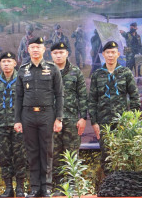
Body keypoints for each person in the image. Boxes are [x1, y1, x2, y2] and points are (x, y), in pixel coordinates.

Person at [14, 37, 64, 197]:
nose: (35, 50)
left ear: (44, 50)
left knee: (47, 151)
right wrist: (17, 120)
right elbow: (18, 97)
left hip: (47, 114)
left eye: (38, 47)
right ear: (28, 50)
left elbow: (59, 95)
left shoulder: (52, 68)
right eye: (32, 47)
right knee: (32, 151)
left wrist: (59, 118)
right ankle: (35, 187)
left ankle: (47, 187)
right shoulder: (23, 70)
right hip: (27, 115)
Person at [89, 41, 140, 175]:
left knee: (123, 155)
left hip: (122, 122)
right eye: (108, 52)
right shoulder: (97, 75)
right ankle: (108, 187)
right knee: (106, 155)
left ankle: (122, 187)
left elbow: (134, 97)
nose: (110, 55)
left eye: (113, 52)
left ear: (118, 54)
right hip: (103, 122)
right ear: (103, 55)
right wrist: (94, 122)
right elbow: (92, 100)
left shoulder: (126, 73)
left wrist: (133, 120)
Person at [50, 42, 88, 195]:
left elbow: (82, 96)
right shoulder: (47, 72)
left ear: (67, 53)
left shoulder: (75, 72)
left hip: (72, 119)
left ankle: (73, 186)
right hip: (52, 121)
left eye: (61, 52)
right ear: (51, 55)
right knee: (54, 154)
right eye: (55, 52)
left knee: (72, 153)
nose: (58, 55)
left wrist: (83, 117)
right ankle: (58, 187)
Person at [0, 52, 26, 197]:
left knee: (20, 156)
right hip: (2, 125)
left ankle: (21, 188)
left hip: (18, 125)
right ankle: (9, 188)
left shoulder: (21, 80)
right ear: (0, 64)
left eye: (9, 61)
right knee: (4, 156)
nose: (6, 64)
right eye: (3, 61)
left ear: (15, 63)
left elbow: (26, 102)